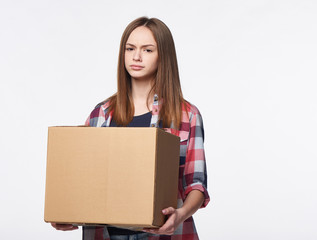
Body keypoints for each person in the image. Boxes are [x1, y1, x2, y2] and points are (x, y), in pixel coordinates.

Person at [51, 16, 210, 240]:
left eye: (147, 50)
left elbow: (196, 185)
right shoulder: (101, 114)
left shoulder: (186, 115)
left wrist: (181, 214)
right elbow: (83, 178)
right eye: (130, 48)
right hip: (106, 234)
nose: (136, 56)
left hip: (162, 235)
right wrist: (66, 210)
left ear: (163, 56)